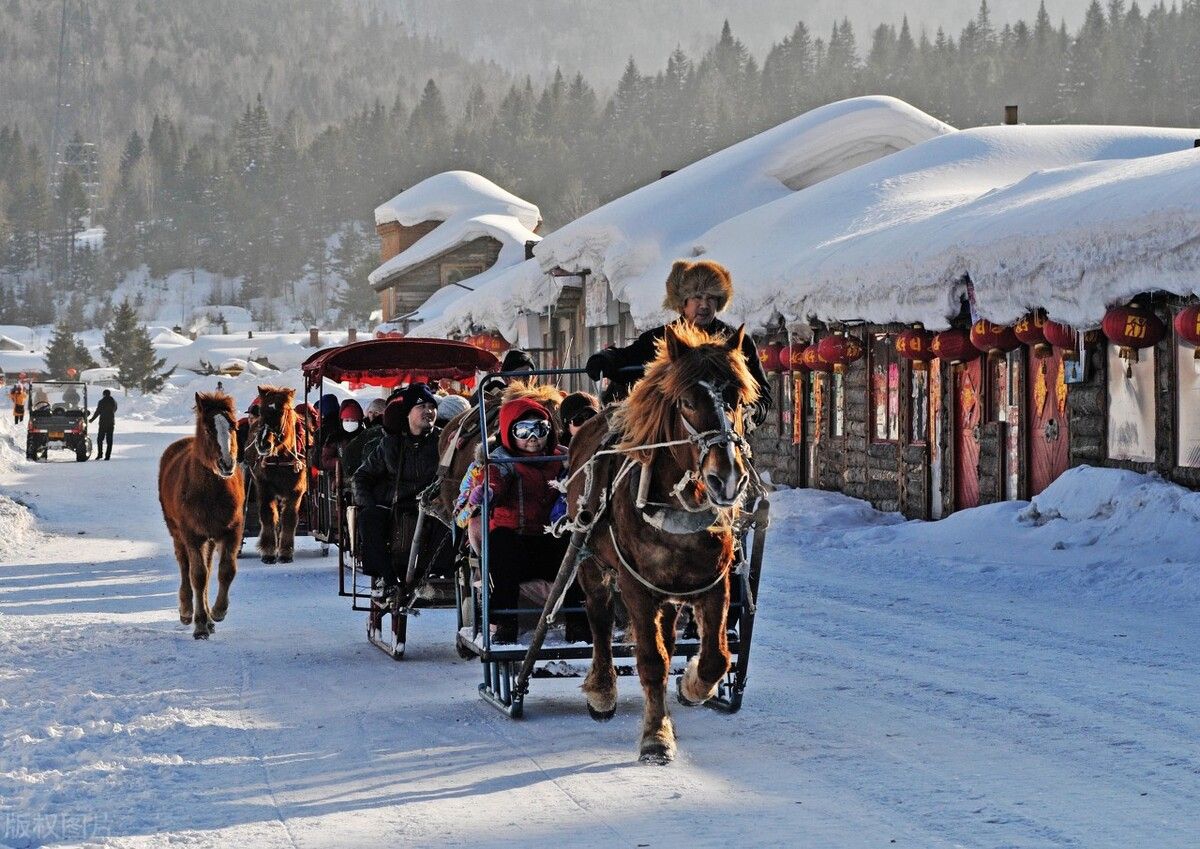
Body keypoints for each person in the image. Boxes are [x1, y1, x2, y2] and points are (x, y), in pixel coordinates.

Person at [585, 259, 772, 425]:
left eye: (711, 298)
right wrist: (604, 358)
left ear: (719, 302)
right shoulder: (662, 339)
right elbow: (626, 357)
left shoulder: (737, 343)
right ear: (683, 302)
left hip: (725, 440)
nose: (705, 305)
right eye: (697, 298)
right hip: (668, 441)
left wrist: (749, 414)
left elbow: (762, 394)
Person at [464, 396, 586, 644]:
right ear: (510, 433)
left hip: (549, 537)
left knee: (575, 547)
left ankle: (579, 620)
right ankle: (505, 621)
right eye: (523, 430)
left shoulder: (561, 458)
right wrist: (488, 492)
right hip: (515, 541)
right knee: (500, 542)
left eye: (539, 429)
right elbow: (495, 479)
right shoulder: (501, 459)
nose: (533, 438)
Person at [351, 384, 441, 596]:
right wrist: (370, 504)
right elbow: (361, 477)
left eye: (431, 406)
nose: (428, 411)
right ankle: (388, 579)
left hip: (432, 507)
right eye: (421, 406)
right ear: (408, 413)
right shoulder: (390, 444)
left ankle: (432, 576)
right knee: (369, 518)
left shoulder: (443, 441)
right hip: (396, 505)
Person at [339, 397, 386, 488]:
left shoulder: (371, 432)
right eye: (370, 412)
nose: (372, 416)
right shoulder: (368, 432)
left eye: (376, 412)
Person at [90, 389, 118, 460]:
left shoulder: (101, 402)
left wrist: (92, 419)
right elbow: (115, 409)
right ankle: (107, 456)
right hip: (111, 422)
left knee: (100, 439)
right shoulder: (114, 402)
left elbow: (98, 411)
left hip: (102, 423)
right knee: (109, 440)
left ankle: (100, 454)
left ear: (104, 394)